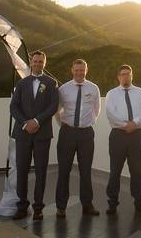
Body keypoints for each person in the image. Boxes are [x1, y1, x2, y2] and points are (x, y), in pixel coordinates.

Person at [8, 50, 59, 221]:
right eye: (35, 61)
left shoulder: (51, 83)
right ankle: (22, 206)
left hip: (42, 133)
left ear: (45, 63)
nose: (37, 64)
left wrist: (36, 121)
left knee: (41, 171)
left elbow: (53, 106)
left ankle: (38, 207)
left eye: (40, 61)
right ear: (31, 63)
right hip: (23, 134)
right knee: (21, 170)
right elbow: (13, 107)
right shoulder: (22, 83)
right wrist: (25, 123)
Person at [54, 58, 101, 218]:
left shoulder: (93, 88)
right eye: (76, 70)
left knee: (86, 171)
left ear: (86, 70)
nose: (79, 73)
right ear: (72, 70)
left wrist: (84, 124)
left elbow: (96, 110)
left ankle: (87, 205)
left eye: (82, 70)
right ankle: (61, 206)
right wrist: (65, 126)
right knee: (64, 171)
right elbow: (57, 110)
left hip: (86, 134)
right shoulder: (64, 89)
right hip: (67, 133)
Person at [105, 64, 141, 215]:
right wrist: (125, 125)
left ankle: (139, 202)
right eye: (123, 74)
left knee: (136, 171)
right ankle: (112, 203)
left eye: (128, 74)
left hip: (136, 135)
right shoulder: (112, 94)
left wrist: (134, 124)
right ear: (118, 77)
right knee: (115, 171)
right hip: (118, 135)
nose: (125, 76)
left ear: (132, 76)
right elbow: (110, 113)